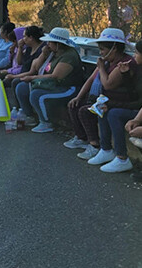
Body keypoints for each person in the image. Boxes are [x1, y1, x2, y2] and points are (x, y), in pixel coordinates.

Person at [63, 28, 135, 160]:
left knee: (86, 111)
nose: (100, 53)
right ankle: (81, 138)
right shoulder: (107, 61)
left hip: (117, 101)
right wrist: (78, 97)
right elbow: (91, 79)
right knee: (74, 105)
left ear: (114, 49)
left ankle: (95, 145)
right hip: (102, 98)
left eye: (103, 49)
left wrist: (101, 68)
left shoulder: (123, 64)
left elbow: (107, 83)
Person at [88, 39, 142, 173]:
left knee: (113, 112)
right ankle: (106, 149)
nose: (134, 56)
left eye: (136, 53)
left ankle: (122, 157)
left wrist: (112, 104)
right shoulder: (137, 68)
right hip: (136, 109)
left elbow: (137, 101)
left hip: (136, 108)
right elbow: (134, 93)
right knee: (103, 107)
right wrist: (126, 74)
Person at [15, 27, 84, 133]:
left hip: (67, 87)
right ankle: (29, 116)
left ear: (58, 43)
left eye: (50, 42)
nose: (47, 44)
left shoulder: (69, 56)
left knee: (37, 94)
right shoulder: (52, 53)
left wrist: (32, 78)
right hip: (52, 84)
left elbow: (56, 76)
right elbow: (37, 68)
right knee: (22, 87)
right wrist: (43, 55)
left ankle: (46, 122)